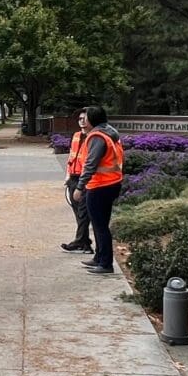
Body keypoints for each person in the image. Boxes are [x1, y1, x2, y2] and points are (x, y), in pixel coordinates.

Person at [68, 106, 125, 276]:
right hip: (111, 183)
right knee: (100, 224)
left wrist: (79, 187)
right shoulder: (110, 133)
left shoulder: (97, 137)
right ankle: (99, 257)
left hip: (100, 186)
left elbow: (90, 164)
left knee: (100, 226)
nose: (84, 121)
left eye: (87, 118)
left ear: (93, 119)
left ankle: (106, 263)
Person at [60, 110, 92, 252]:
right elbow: (71, 157)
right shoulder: (76, 136)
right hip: (73, 177)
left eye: (85, 119)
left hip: (84, 178)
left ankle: (80, 241)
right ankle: (84, 242)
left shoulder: (93, 138)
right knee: (77, 210)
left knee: (83, 212)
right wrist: (67, 176)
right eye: (80, 119)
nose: (82, 121)